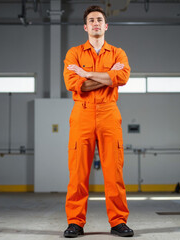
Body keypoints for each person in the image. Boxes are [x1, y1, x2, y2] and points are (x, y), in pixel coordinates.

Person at [62, 5, 134, 238]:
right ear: (85, 27)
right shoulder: (73, 54)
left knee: (114, 172)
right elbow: (76, 85)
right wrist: (106, 77)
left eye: (99, 20)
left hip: (108, 113)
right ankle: (75, 222)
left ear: (106, 26)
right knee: (78, 172)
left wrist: (87, 74)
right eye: (91, 20)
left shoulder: (118, 53)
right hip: (82, 113)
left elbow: (121, 77)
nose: (95, 23)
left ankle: (118, 222)